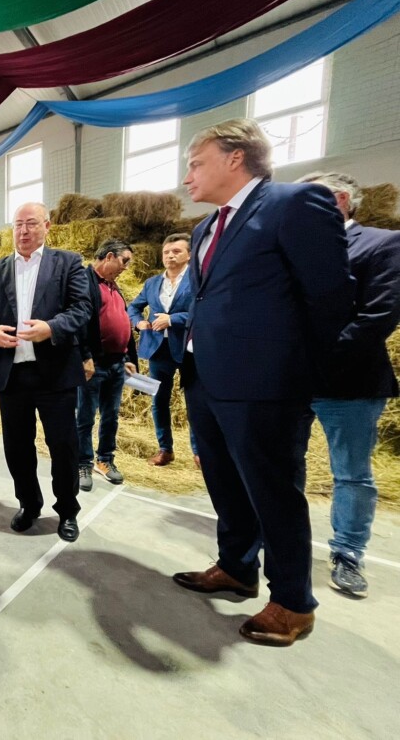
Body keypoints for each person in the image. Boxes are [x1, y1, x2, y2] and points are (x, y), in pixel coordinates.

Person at [172, 118, 353, 646]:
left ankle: (294, 602)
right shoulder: (206, 228)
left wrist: (296, 370)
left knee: (274, 492)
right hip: (207, 379)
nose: (187, 177)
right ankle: (236, 565)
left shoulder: (295, 204)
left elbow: (330, 296)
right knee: (225, 483)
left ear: (235, 157)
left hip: (267, 384)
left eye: (195, 162)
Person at [298, 171, 400, 599]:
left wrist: (314, 353)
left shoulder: (380, 243)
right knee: (283, 464)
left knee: (352, 473)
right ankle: (283, 539)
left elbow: (378, 316)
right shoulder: (295, 250)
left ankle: (347, 552)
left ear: (340, 200)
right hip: (291, 381)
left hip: (350, 382)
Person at [0, 202, 92, 542]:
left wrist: (51, 328)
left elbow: (82, 309)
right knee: (17, 448)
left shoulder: (68, 263)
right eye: (18, 225)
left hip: (54, 376)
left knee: (63, 447)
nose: (23, 231)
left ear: (47, 226)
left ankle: (67, 510)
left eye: (31, 224)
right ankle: (29, 504)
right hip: (13, 376)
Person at [126, 234, 199, 467]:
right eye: (166, 252)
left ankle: (199, 452)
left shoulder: (199, 280)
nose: (170, 255)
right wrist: (138, 323)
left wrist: (173, 319)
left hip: (189, 350)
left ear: (189, 254)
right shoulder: (152, 283)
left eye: (176, 251)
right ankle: (165, 449)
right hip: (158, 349)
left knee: (195, 402)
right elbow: (133, 307)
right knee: (159, 400)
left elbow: (204, 311)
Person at [76, 240, 138, 490]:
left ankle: (105, 460)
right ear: (109, 256)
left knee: (111, 416)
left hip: (116, 364)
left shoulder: (114, 287)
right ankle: (83, 462)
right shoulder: (84, 281)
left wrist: (129, 358)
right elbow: (79, 322)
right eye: (124, 261)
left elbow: (125, 323)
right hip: (95, 364)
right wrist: (85, 356)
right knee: (86, 417)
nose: (126, 267)